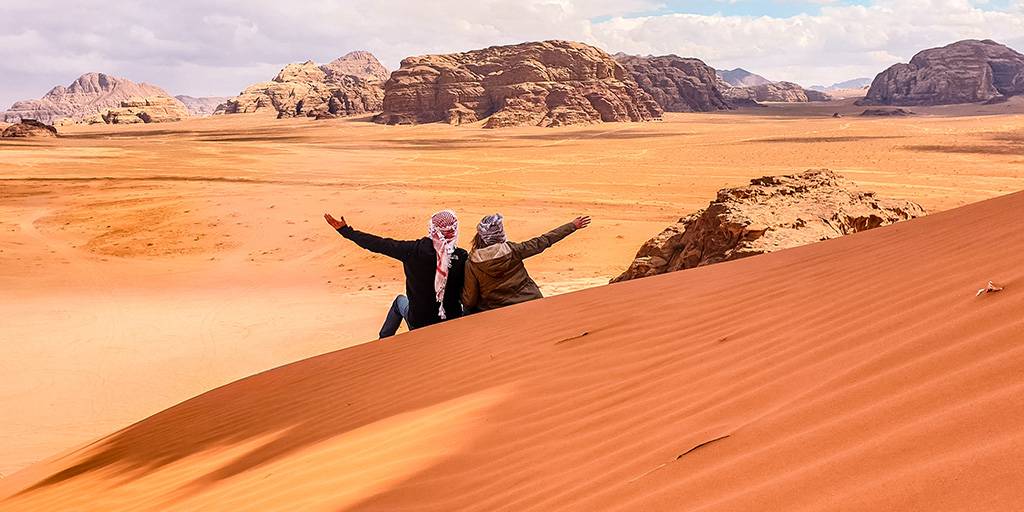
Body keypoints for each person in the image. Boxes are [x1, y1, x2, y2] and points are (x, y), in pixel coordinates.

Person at [324, 210, 467, 338]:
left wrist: (346, 231)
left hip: (419, 322)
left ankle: (384, 341)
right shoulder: (461, 256)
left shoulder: (411, 251)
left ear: (432, 229)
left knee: (400, 301)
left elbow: (378, 244)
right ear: (454, 231)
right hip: (451, 321)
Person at [462, 214, 591, 313]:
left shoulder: (472, 263)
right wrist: (572, 225)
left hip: (495, 311)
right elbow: (543, 241)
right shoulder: (513, 250)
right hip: (530, 301)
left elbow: (470, 300)